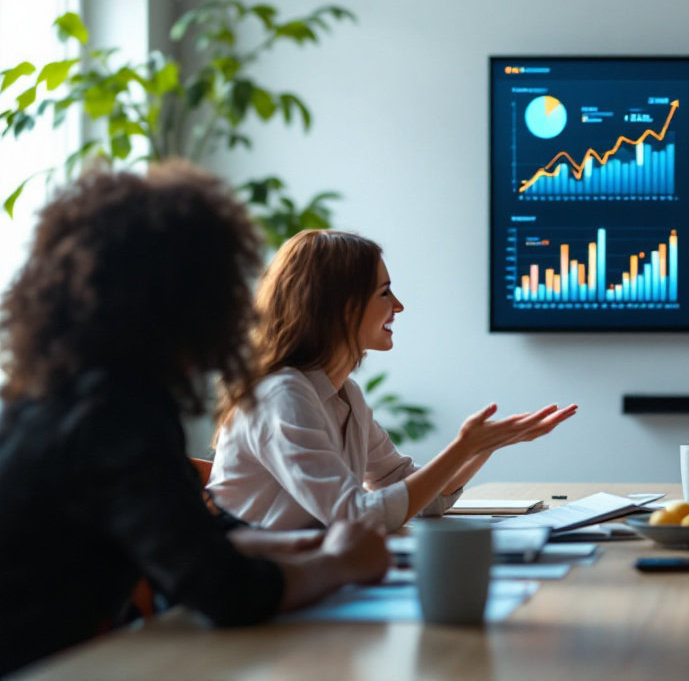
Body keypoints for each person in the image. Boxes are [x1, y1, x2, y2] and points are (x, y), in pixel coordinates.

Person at [0, 166, 390, 677]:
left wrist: (314, 544)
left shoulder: (60, 397)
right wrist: (339, 564)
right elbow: (223, 590)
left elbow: (196, 531)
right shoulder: (113, 415)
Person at [208, 229, 575, 532]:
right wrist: (463, 447)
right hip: (258, 602)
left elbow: (422, 499)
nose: (398, 306)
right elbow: (356, 516)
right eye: (384, 292)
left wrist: (481, 448)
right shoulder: (282, 396)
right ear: (341, 308)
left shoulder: (345, 395)